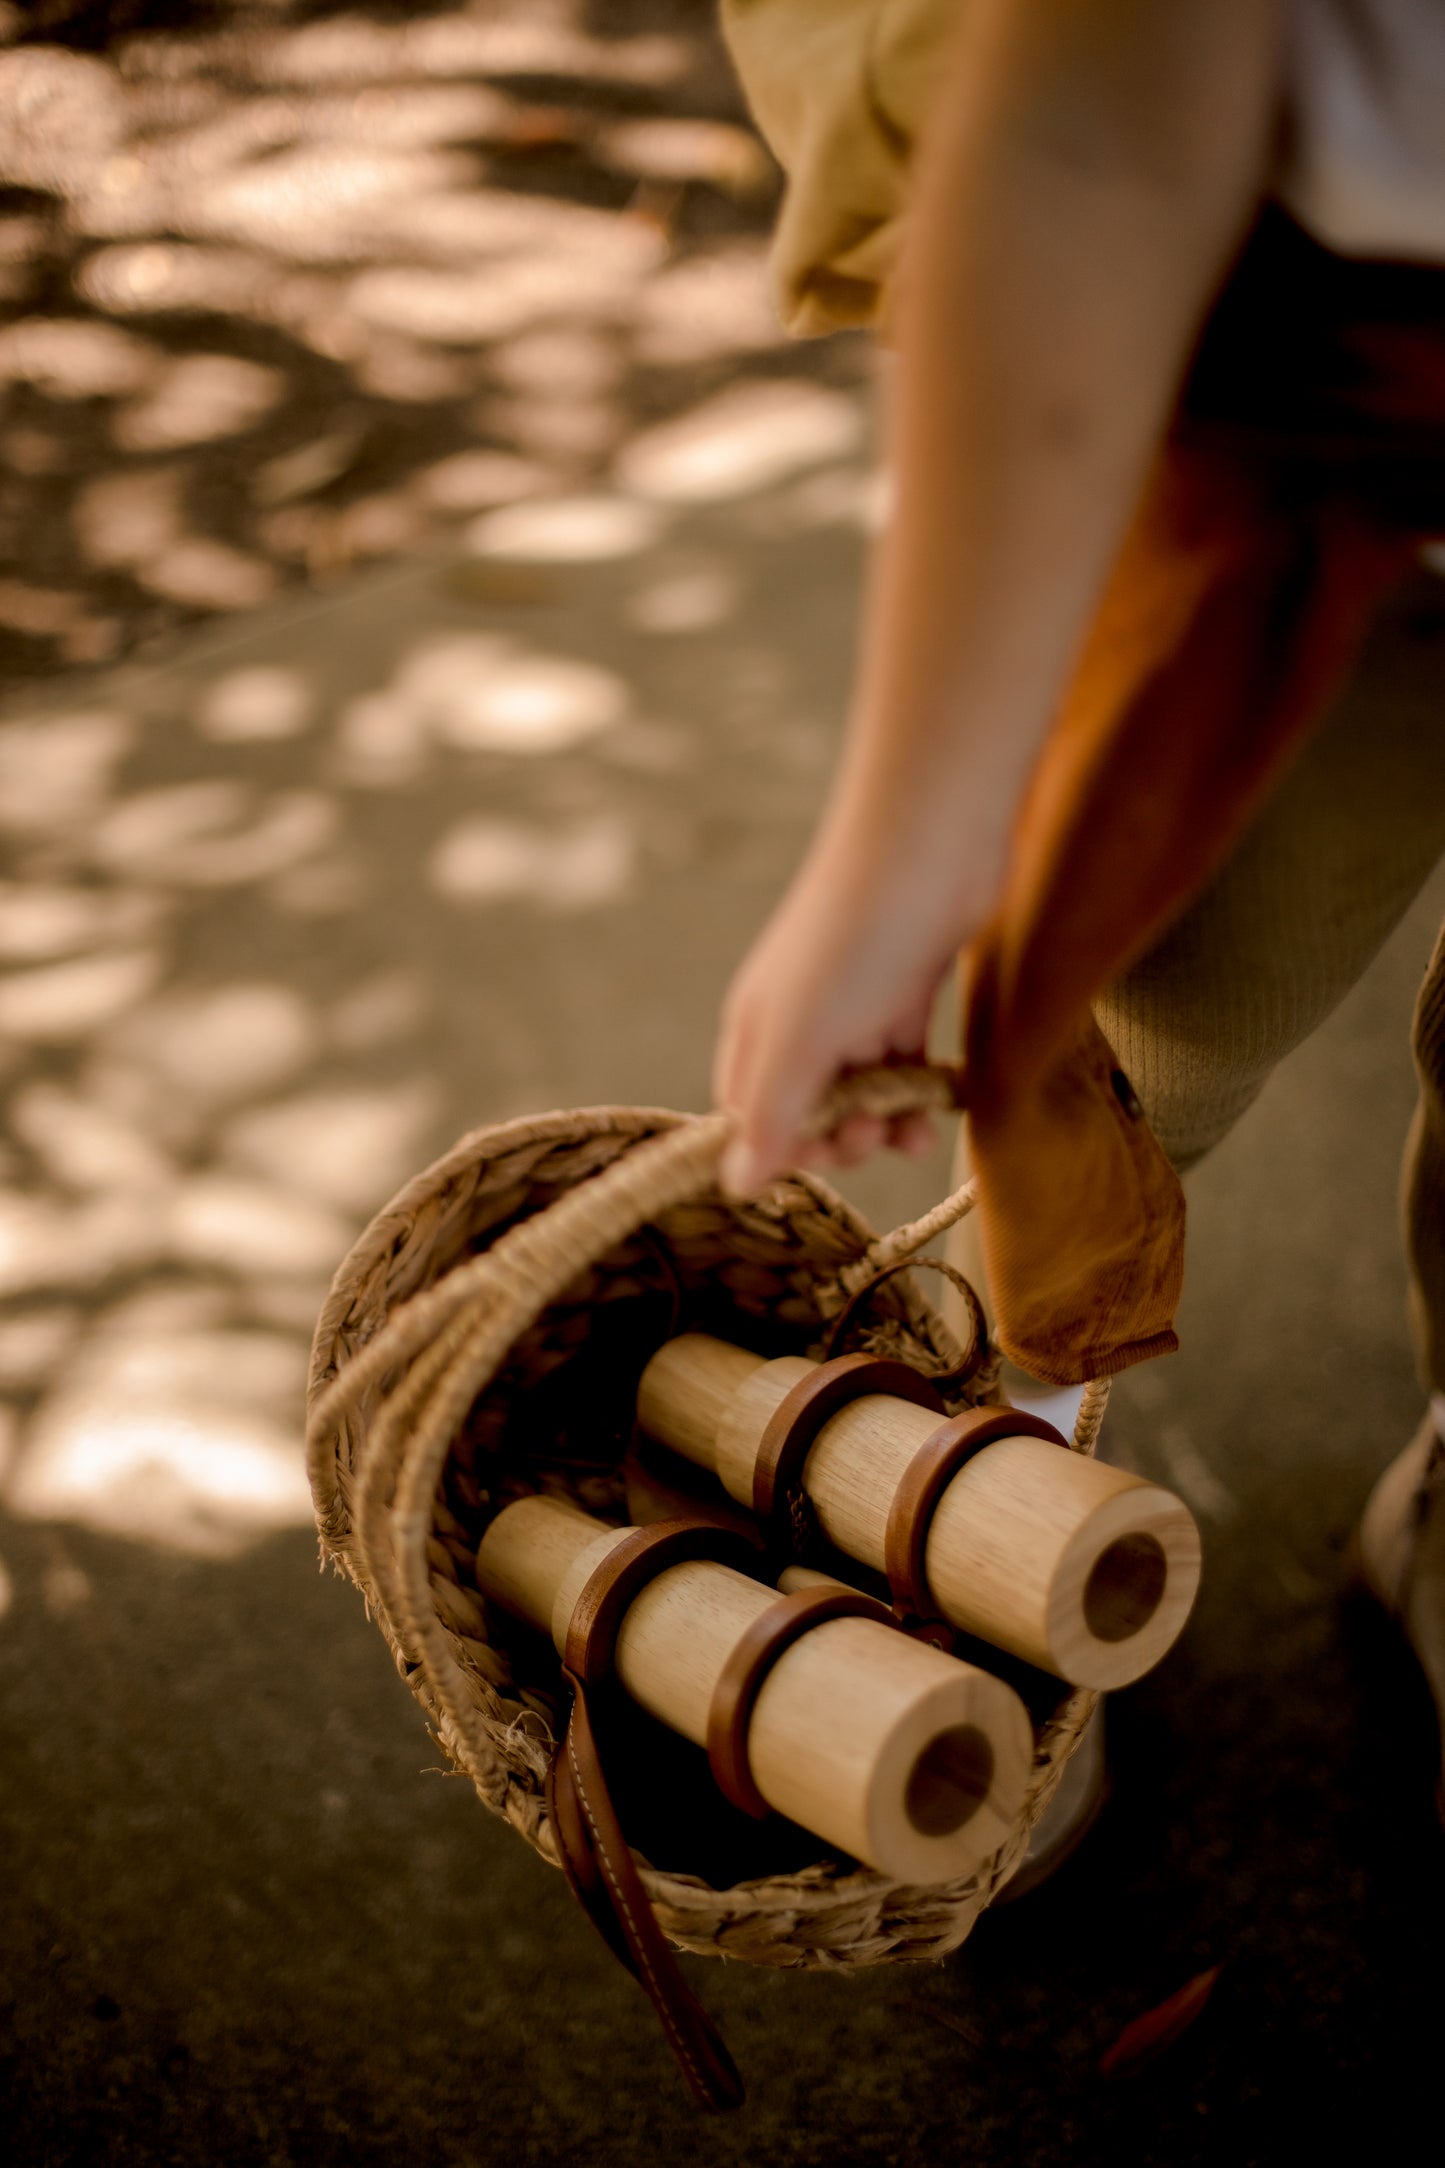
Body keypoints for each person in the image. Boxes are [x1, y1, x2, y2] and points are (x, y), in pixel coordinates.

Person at [710, 0, 1445, 1824]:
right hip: (1308, 363)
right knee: (1134, 1029)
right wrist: (908, 853)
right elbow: (1092, 119)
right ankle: (982, 1518)